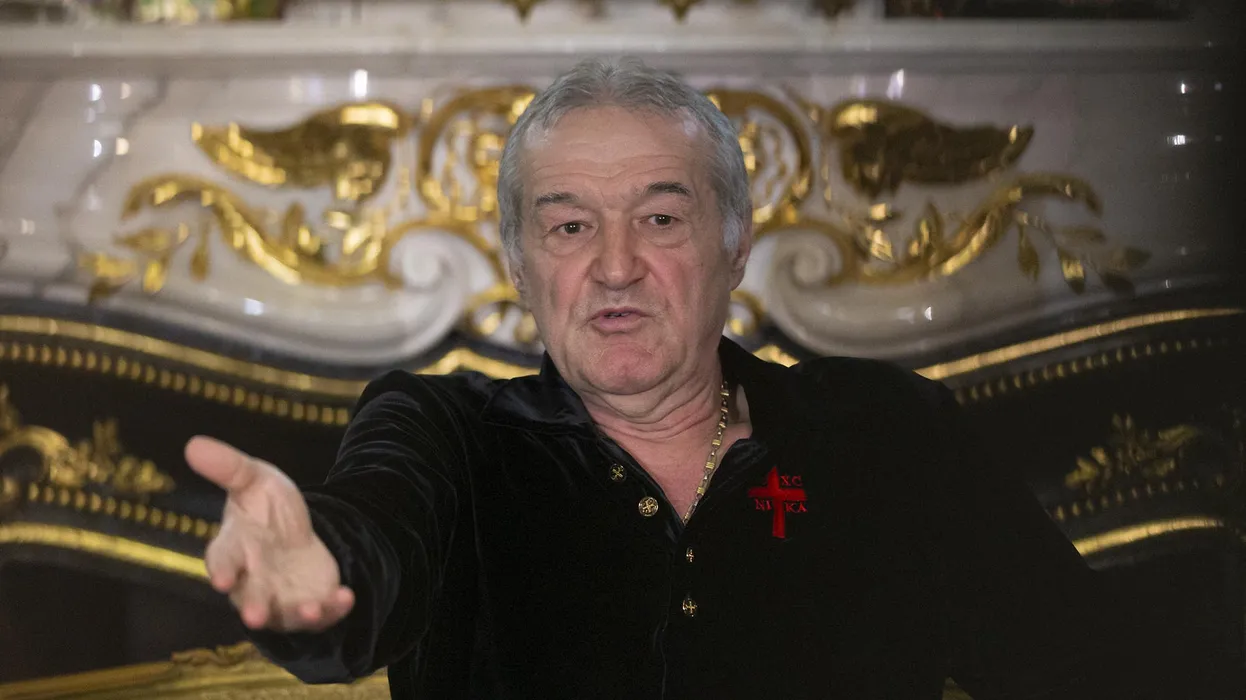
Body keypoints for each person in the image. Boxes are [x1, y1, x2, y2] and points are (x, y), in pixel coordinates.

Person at [184, 58, 1241, 699]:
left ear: (734, 246)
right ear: (520, 265)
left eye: (659, 217)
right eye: (568, 226)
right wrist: (316, 577)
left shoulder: (888, 430)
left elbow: (1089, 664)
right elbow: (373, 545)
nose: (614, 266)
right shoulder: (445, 431)